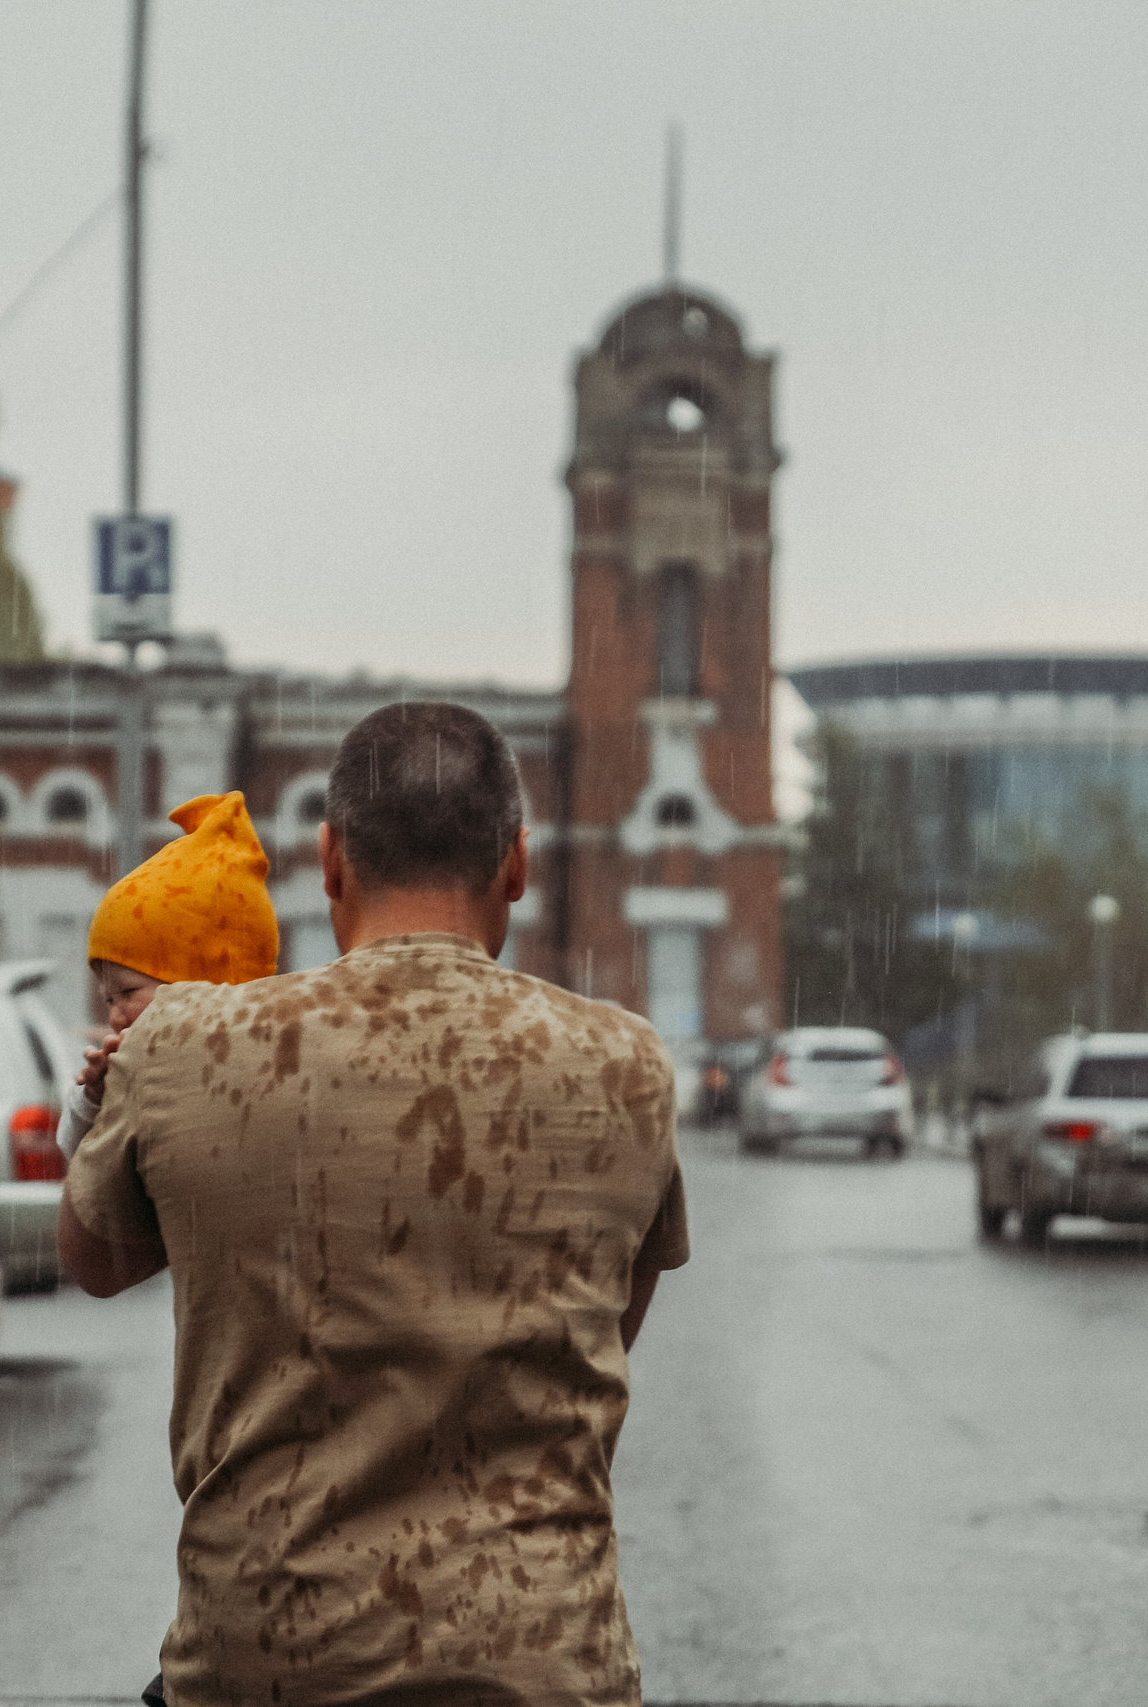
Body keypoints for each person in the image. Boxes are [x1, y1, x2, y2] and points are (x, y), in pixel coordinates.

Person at [61, 701, 691, 1707]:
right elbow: (609, 1323)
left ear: (329, 858)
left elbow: (93, 1264)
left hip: (267, 1655)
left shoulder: (186, 1044)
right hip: (537, 1659)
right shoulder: (626, 1065)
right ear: (517, 864)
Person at [56, 791, 281, 1161]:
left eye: (128, 992)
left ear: (207, 983)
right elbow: (77, 1156)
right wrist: (94, 1099)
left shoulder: (267, 1069)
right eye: (108, 999)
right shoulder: (135, 1073)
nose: (114, 1015)